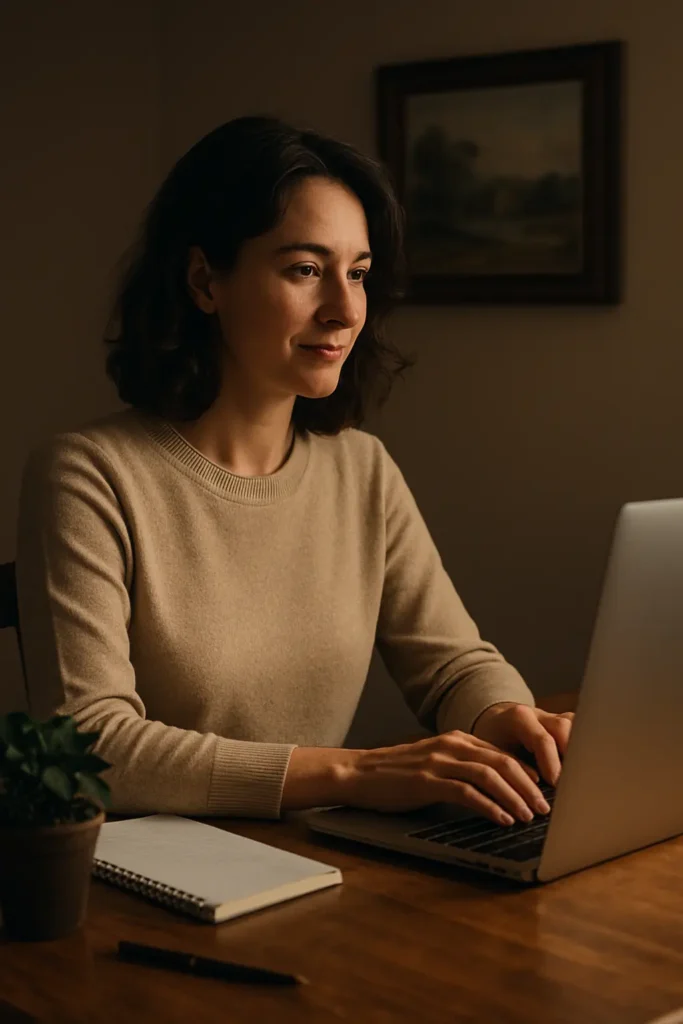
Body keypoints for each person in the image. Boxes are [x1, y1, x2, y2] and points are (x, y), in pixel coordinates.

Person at [16, 115, 573, 826]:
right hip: (149, 890)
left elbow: (454, 663)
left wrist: (507, 717)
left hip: (311, 865)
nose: (344, 310)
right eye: (305, 270)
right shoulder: (87, 476)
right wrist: (356, 772)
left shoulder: (360, 470)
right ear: (203, 281)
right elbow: (91, 745)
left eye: (359, 274)